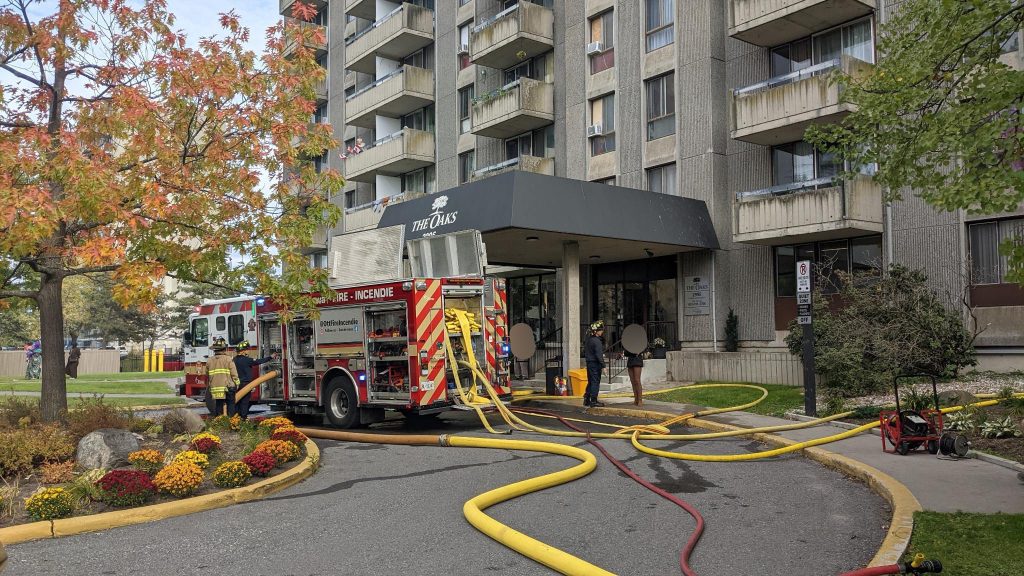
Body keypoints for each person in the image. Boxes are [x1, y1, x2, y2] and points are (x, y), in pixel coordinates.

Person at [232, 341, 277, 420]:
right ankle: (243, 418)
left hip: (236, 384)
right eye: (247, 349)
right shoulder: (247, 360)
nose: (248, 351)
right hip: (246, 385)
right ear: (243, 350)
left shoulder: (234, 360)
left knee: (237, 401)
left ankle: (235, 419)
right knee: (244, 403)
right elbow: (259, 361)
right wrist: (271, 357)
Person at [205, 337, 239, 417]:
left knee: (219, 404)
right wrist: (237, 384)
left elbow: (207, 374)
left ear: (214, 350)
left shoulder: (209, 360)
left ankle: (219, 421)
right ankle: (231, 421)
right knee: (231, 404)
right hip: (228, 386)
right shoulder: (228, 359)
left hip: (215, 388)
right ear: (224, 349)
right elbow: (234, 373)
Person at [583, 321, 606, 407]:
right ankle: (593, 400)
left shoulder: (589, 340)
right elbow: (599, 355)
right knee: (595, 382)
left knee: (591, 381)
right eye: (600, 330)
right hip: (595, 364)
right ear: (596, 331)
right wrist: (603, 366)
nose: (602, 331)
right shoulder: (596, 341)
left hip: (589, 363)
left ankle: (586, 399)